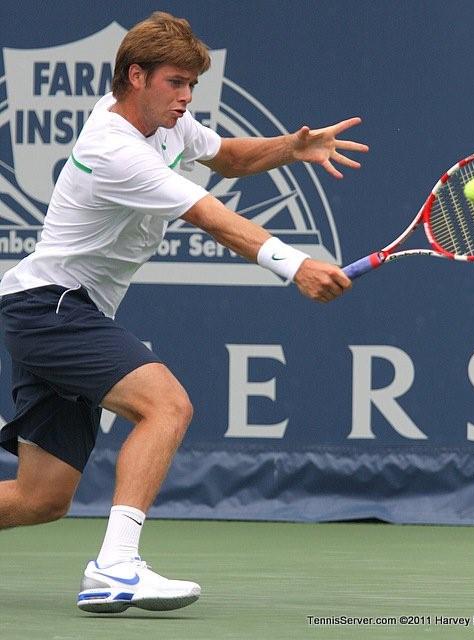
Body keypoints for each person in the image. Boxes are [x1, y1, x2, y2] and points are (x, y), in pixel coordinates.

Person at [0, 12, 368, 614]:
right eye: (176, 83)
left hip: (58, 310)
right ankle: (116, 567)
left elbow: (225, 157)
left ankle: (113, 565)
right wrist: (295, 264)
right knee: (166, 404)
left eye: (192, 85)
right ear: (136, 76)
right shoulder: (114, 147)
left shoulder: (166, 126)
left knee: (42, 498)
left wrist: (291, 148)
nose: (186, 97)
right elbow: (207, 215)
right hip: (52, 308)